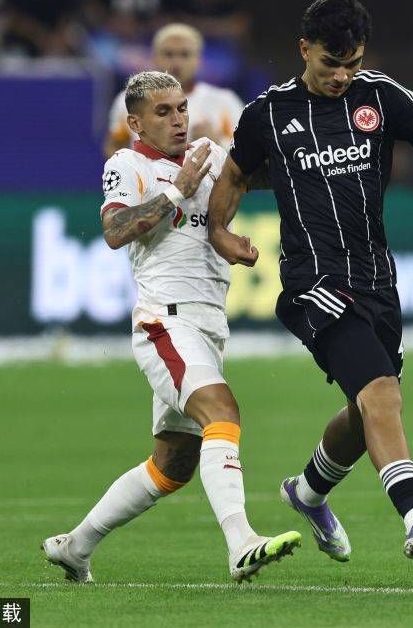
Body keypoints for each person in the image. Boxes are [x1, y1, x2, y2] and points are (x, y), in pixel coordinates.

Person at [207, 0, 413, 563]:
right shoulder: (268, 113)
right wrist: (219, 232)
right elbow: (233, 176)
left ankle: (307, 493)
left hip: (377, 280)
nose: (341, 76)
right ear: (304, 50)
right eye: (330, 63)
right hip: (313, 283)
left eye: (351, 63)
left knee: (366, 411)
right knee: (382, 392)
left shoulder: (382, 96)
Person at [42, 71, 300, 584]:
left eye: (181, 107)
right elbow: (115, 231)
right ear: (135, 123)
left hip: (208, 324)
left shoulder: (209, 154)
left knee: (173, 465)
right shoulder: (127, 165)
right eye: (163, 112)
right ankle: (241, 543)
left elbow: (267, 174)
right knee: (222, 411)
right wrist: (177, 193)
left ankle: (76, 547)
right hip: (164, 320)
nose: (179, 119)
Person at [103, 23, 243, 157]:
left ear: (198, 60)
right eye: (169, 54)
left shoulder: (224, 101)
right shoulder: (130, 99)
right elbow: (114, 148)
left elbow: (245, 155)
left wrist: (217, 143)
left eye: (185, 54)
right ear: (155, 58)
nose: (176, 62)